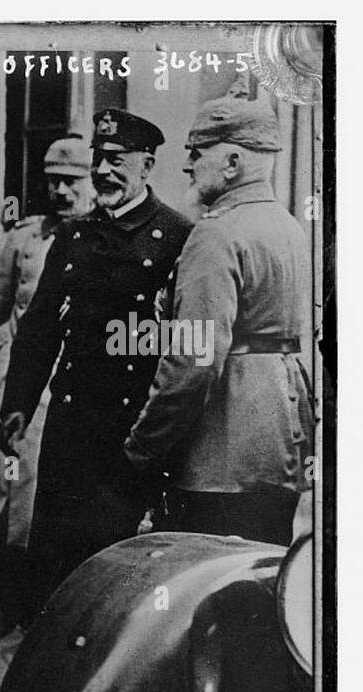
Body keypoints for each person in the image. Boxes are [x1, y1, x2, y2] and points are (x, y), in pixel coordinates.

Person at [0, 109, 193, 614]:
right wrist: (16, 404)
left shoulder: (177, 236)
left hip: (130, 433)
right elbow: (40, 327)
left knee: (113, 566)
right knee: (55, 561)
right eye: (100, 160)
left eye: (118, 161)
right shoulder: (75, 235)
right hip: (70, 426)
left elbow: (180, 346)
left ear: (147, 166)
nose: (105, 171)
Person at [123, 95, 314, 546]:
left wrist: (142, 448)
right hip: (277, 444)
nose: (188, 165)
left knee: (204, 593)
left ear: (231, 162)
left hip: (218, 458)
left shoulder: (216, 233)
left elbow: (193, 362)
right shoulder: (287, 226)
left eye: (197, 152)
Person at [0, 136, 93, 643]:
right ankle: (2, 607)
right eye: (54, 181)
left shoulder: (101, 239)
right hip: (11, 377)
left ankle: (43, 609)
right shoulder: (25, 238)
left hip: (67, 382)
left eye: (72, 182)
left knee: (47, 499)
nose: (60, 191)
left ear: (92, 184)